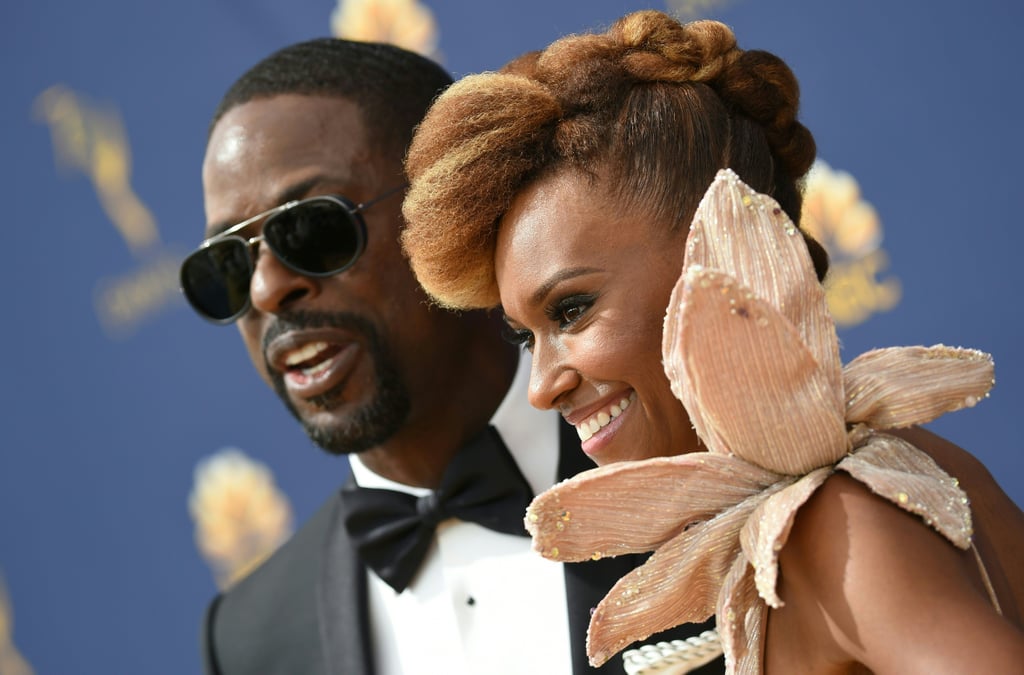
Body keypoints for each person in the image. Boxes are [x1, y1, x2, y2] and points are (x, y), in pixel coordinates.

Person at [400, 10, 1024, 673]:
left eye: (573, 309)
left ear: (721, 251)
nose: (542, 383)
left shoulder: (835, 518)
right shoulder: (913, 473)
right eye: (526, 336)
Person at [181, 37, 724, 674]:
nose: (268, 289)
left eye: (311, 228)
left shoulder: (711, 464)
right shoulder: (250, 639)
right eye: (227, 265)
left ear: (453, 212)